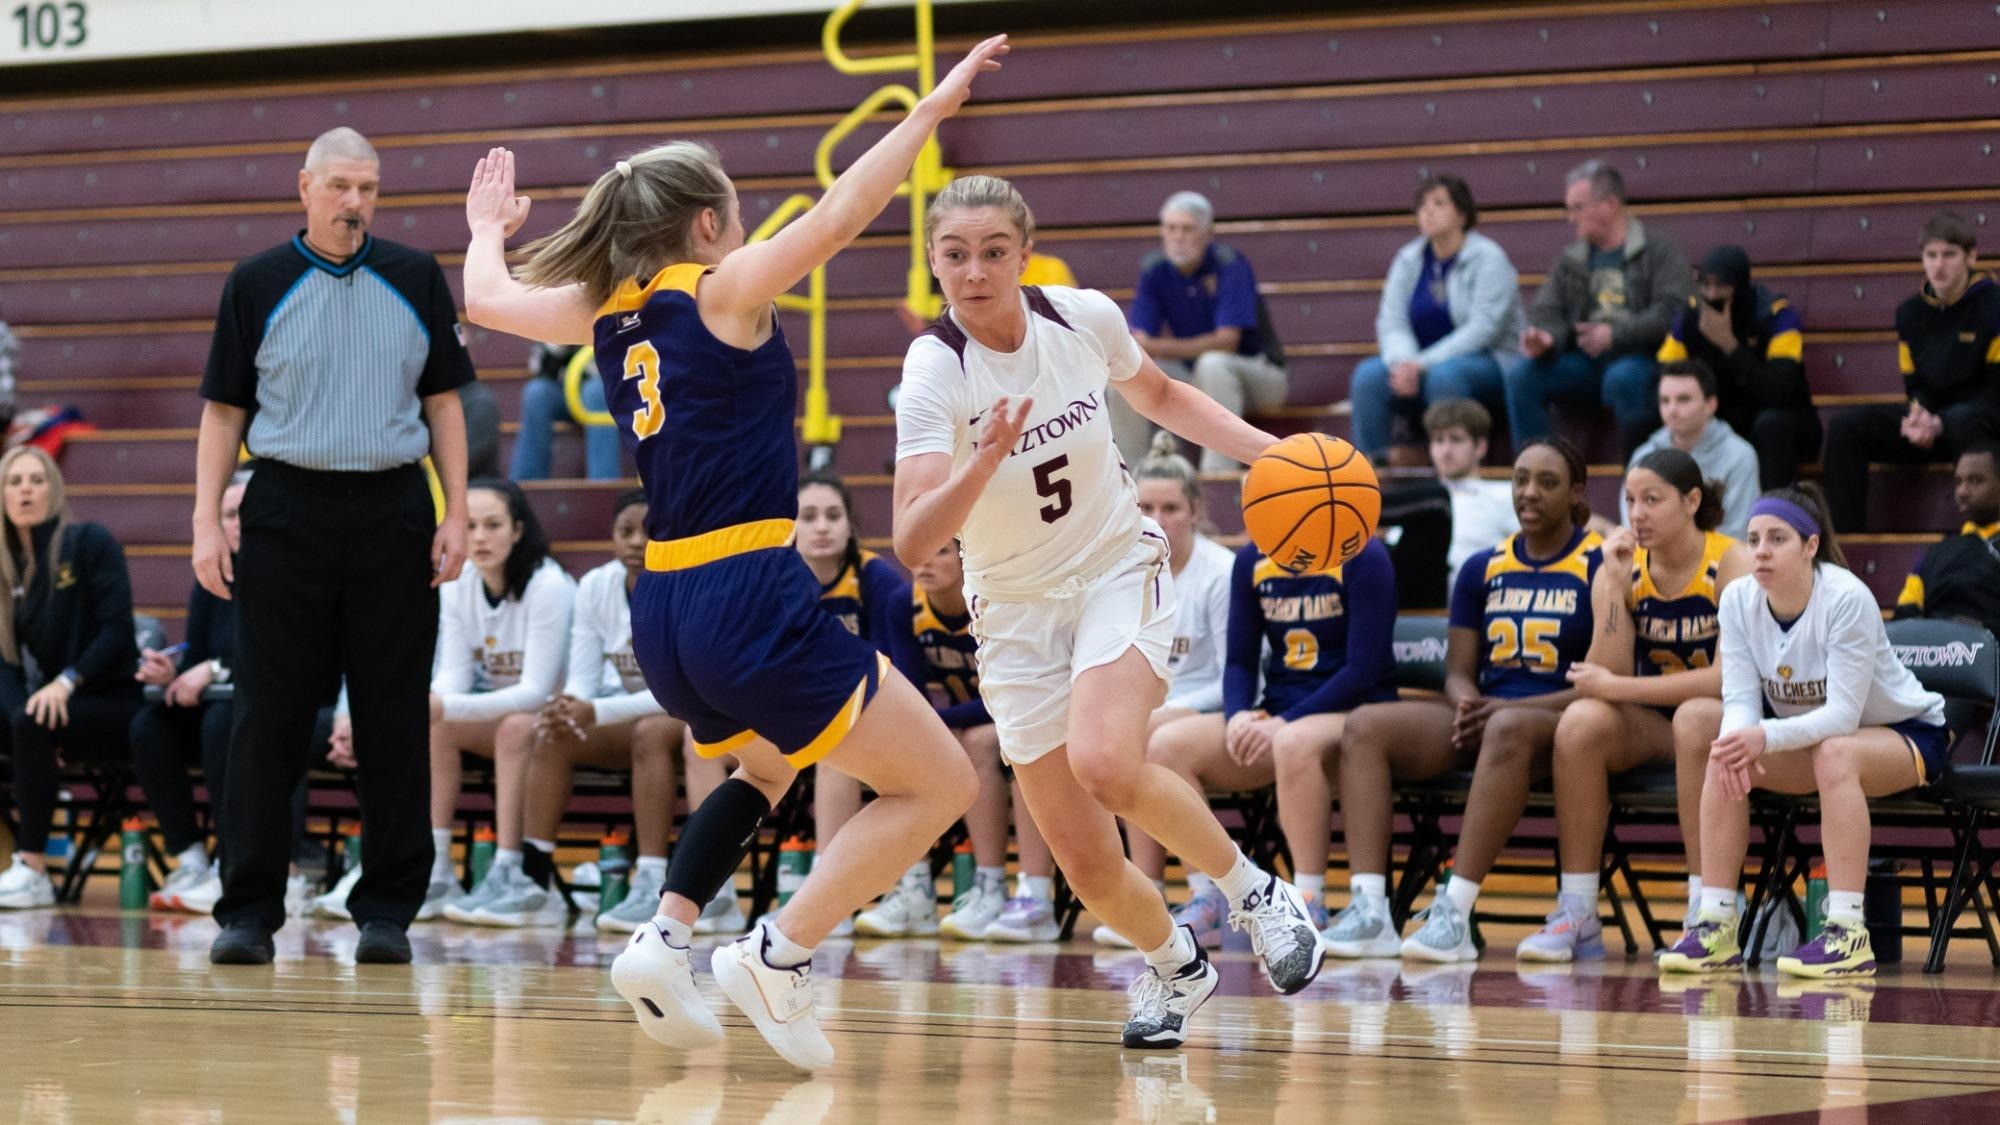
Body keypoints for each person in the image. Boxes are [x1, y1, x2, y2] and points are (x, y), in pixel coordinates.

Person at [460, 34, 1004, 1073]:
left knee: (762, 760)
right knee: (939, 783)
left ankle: (664, 936)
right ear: (707, 222)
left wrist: (485, 229)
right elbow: (843, 210)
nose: (746, 227)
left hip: (661, 602)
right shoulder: (724, 288)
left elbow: (484, 300)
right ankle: (779, 952)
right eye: (736, 214)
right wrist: (929, 110)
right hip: (745, 587)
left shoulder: (604, 313)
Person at [895, 172, 1323, 1050]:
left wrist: (1270, 454)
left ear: (1024, 251)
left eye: (993, 252)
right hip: (1012, 613)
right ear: (934, 261)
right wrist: (982, 464)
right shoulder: (934, 366)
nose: (973, 271)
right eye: (953, 254)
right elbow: (909, 539)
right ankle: (1174, 965)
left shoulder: (1080, 317)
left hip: (1110, 568)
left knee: (1105, 758)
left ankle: (1258, 895)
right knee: (1088, 864)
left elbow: (1162, 397)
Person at [194, 125, 473, 966]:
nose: (357, 203)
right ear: (305, 188)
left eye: (371, 189)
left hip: (392, 508)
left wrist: (456, 510)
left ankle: (385, 909)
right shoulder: (256, 284)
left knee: (392, 717)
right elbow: (222, 414)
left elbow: (447, 405)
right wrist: (207, 517)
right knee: (266, 716)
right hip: (284, 508)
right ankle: (248, 910)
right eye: (342, 186)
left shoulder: (415, 276)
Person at [1328, 439, 1602, 961]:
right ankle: (1370, 910)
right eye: (1521, 479)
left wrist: (1507, 712)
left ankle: (1454, 911)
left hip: (1561, 721)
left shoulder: (1599, 566)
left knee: (1506, 729)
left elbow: (1603, 681)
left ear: (1576, 492)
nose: (1530, 492)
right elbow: (1457, 669)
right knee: (1364, 726)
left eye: (1547, 482)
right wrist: (1468, 701)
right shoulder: (1481, 567)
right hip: (1487, 717)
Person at [1661, 484, 1950, 979]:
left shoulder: (1845, 597)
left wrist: (1764, 738)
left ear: (1810, 546)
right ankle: (1715, 923)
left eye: (1777, 539)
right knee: (1724, 751)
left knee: (1836, 752)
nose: (1761, 551)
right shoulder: (1736, 599)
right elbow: (1740, 699)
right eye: (1753, 540)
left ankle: (1847, 933)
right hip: (1813, 740)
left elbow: (1841, 716)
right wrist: (1740, 740)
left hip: (1904, 735)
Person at [1107, 537, 1398, 949]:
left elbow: (1362, 669)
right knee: (1168, 746)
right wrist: (1240, 712)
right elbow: (1241, 661)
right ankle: (1206, 898)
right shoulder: (1251, 559)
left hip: (1355, 714)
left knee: (1293, 742)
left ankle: (1308, 901)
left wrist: (1283, 721)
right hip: (1278, 714)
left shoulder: (1363, 554)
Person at [1519, 448, 1748, 961]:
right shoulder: (1621, 563)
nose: (1637, 513)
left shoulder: (1731, 561)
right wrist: (1612, 590)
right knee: (1580, 724)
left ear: (1691, 501)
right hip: (1653, 725)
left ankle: (1707, 911)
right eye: (1628, 501)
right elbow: (1606, 674)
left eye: (1652, 499)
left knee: (1695, 718)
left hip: (1727, 721)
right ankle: (1577, 910)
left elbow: (1724, 681)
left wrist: (1617, 691)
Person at [525, 489, 734, 934]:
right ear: (612, 537)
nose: (636, 542)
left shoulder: (688, 583)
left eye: (648, 531)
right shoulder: (596, 586)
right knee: (553, 731)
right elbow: (582, 675)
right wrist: (573, 705)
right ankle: (531, 878)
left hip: (691, 713)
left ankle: (652, 875)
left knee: (652, 731)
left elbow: (681, 690)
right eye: (625, 532)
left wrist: (594, 710)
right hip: (622, 714)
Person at [871, 539, 1058, 942]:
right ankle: (915, 888)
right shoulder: (905, 604)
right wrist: (935, 725)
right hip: (969, 723)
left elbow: (1014, 691)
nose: (925, 561)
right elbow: (911, 695)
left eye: (939, 551)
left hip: (1027, 711)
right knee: (903, 742)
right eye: (921, 550)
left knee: (985, 741)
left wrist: (939, 722)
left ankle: (1019, 892)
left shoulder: (995, 600)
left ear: (966, 556)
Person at [427, 478, 576, 927]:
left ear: (516, 529)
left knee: (513, 725)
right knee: (436, 726)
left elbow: (536, 691)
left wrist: (445, 706)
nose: (478, 537)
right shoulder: (459, 581)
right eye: (469, 526)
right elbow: (454, 674)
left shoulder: (549, 585)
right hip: (498, 711)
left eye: (492, 525)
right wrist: (432, 703)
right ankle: (434, 867)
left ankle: (510, 869)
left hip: (554, 719)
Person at [0, 447, 142, 910]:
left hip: (113, 700)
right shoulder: (7, 571)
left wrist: (67, 681)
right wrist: (24, 712)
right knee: (26, 721)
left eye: (37, 480)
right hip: (54, 709)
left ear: (54, 490)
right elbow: (8, 665)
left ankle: (34, 869)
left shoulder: (88, 541)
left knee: (32, 724)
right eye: (15, 481)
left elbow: (118, 630)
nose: (25, 489)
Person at [794, 473, 916, 940]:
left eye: (832, 515)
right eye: (809, 517)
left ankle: (829, 898)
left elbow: (892, 670)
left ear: (850, 525)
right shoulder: (779, 579)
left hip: (874, 711)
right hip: (797, 712)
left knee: (836, 746)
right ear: (792, 527)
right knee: (698, 741)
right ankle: (716, 892)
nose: (821, 526)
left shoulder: (874, 577)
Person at [1824, 212, 2000, 533]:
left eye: (1949, 254)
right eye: (1931, 255)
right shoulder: (1909, 314)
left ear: (1971, 257)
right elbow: (1915, 384)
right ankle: (1845, 541)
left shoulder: (1994, 308)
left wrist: (1941, 422)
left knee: (1964, 420)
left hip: (1983, 421)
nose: (1938, 265)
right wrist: (1918, 415)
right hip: (1934, 424)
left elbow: (1995, 394)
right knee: (1845, 428)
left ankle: (1979, 536)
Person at [1502, 160, 1692, 457]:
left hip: (1642, 357)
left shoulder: (1658, 251)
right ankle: (1538, 469)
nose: (1570, 217)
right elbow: (1545, 310)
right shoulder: (1571, 259)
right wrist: (1548, 338)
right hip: (1585, 363)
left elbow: (1674, 311)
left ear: (1610, 204)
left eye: (1578, 207)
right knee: (1522, 376)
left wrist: (1615, 334)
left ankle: (1641, 477)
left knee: (1623, 377)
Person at [130, 474, 245, 915]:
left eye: (245, 514)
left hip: (276, 701)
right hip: (221, 699)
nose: (239, 524)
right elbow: (196, 654)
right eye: (230, 515)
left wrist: (214, 669)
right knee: (149, 726)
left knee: (221, 725)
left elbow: (283, 651)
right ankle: (191, 858)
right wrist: (170, 673)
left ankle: (229, 863)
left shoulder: (284, 572)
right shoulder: (211, 574)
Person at [1349, 174, 1524, 461]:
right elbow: (1392, 322)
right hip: (1419, 366)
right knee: (1368, 377)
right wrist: (1404, 363)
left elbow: (1484, 329)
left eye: (1439, 203)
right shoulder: (1408, 260)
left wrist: (1421, 364)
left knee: (1446, 377)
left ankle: (1450, 475)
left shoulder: (1489, 258)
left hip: (1489, 363)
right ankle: (1370, 474)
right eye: (1422, 205)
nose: (1427, 211)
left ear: (1462, 214)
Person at [1114, 190, 1288, 471]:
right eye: (1171, 228)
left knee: (1214, 364)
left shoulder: (1230, 264)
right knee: (1127, 370)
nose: (1178, 236)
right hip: (1197, 376)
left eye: (1187, 228)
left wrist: (1159, 347)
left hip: (1261, 375)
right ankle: (1131, 476)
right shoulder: (1155, 269)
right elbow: (1140, 341)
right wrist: (1153, 348)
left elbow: (1227, 342)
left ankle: (1217, 476)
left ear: (1207, 233)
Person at [1657, 244, 1816, 489]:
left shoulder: (1776, 316)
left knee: (1770, 424)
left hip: (1784, 419)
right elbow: (1665, 374)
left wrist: (1729, 345)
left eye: (1720, 286)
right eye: (1705, 285)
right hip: (1721, 414)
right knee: (1647, 418)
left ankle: (1773, 515)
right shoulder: (1691, 315)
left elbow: (1779, 392)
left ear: (1740, 287)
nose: (1711, 295)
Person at [1374, 398, 1520, 609]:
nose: (1446, 450)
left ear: (1480, 447)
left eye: (1456, 440)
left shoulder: (1503, 494)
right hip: (1414, 591)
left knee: (1437, 503)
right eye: (1438, 440)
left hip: (1474, 597)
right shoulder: (1415, 502)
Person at [1622, 360, 1759, 538]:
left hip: (1722, 561)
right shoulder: (1643, 455)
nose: (1672, 410)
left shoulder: (1740, 455)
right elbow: (1631, 526)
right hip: (1655, 560)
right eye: (1665, 401)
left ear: (1710, 404)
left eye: (1683, 399)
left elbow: (1738, 531)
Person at [1895, 441, 2000, 638]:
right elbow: (1904, 616)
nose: (1962, 491)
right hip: (1935, 658)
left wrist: (1981, 631)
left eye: (1975, 481)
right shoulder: (1933, 553)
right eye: (1958, 482)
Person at [510, 341, 623, 481]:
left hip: (604, 394)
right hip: (566, 392)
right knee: (536, 392)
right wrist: (559, 345)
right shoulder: (556, 319)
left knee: (596, 392)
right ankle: (526, 482)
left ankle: (604, 483)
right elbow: (537, 369)